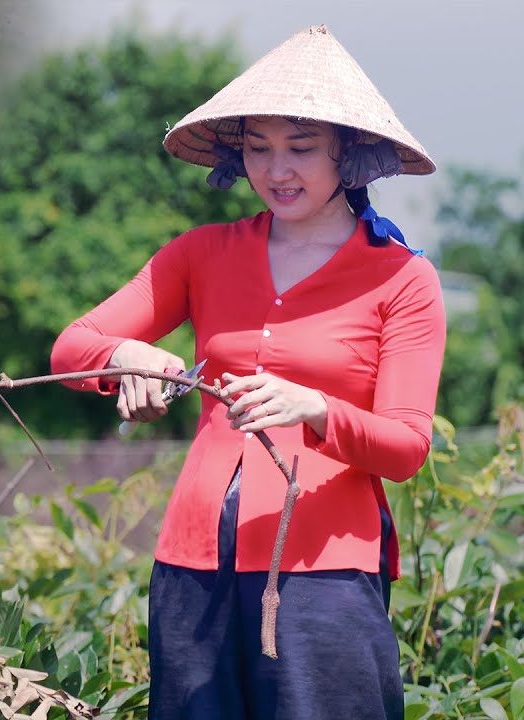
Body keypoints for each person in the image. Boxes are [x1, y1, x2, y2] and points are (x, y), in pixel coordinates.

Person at [50, 26, 445, 720]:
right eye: (257, 148)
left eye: (300, 148)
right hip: (194, 565)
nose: (276, 169)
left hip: (327, 571)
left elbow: (407, 447)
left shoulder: (404, 280)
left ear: (347, 154)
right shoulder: (200, 254)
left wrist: (316, 408)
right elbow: (71, 347)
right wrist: (127, 358)